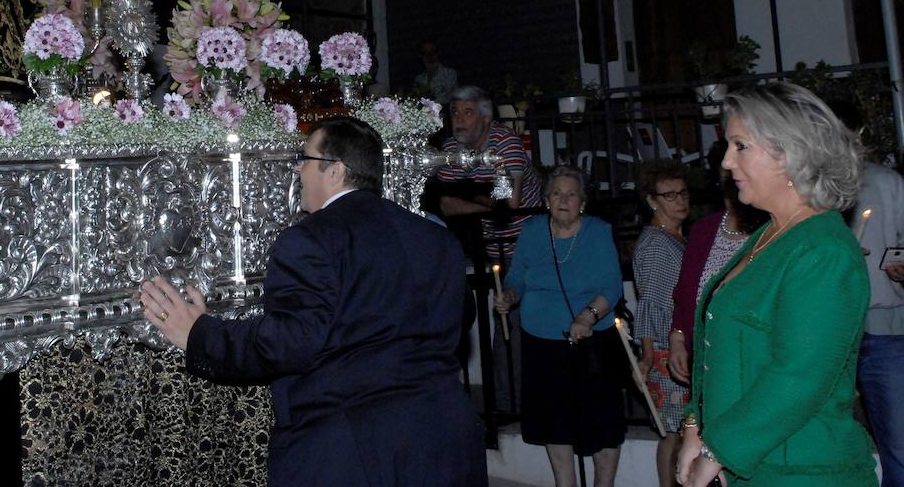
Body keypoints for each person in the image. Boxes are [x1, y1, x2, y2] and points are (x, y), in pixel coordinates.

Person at [139, 116, 486, 487]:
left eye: (304, 159)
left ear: (335, 171)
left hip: (355, 448)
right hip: (446, 434)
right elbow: (461, 312)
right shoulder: (436, 238)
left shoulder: (310, 239)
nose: (298, 170)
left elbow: (288, 343)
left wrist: (198, 335)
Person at [677, 82, 877, 487]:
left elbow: (798, 376)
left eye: (740, 146)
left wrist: (718, 452)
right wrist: (695, 427)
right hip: (752, 465)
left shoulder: (824, 251)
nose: (727, 162)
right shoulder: (771, 234)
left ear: (789, 153)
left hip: (801, 470)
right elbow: (720, 349)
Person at [495, 166, 625, 487]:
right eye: (556, 193)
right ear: (546, 200)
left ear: (582, 201)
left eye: (571, 194)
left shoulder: (598, 231)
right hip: (541, 343)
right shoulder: (533, 231)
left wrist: (587, 316)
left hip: (591, 342)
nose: (563, 199)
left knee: (601, 422)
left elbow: (611, 287)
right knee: (555, 423)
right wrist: (509, 295)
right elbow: (517, 278)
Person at [423, 84, 542, 412]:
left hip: (528, 242)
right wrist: (485, 201)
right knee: (504, 317)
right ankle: (509, 400)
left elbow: (510, 201)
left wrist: (474, 198)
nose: (458, 119)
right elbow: (446, 205)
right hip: (494, 245)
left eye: (468, 112)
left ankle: (518, 401)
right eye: (454, 112)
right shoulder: (451, 148)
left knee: (518, 320)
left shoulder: (504, 143)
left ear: (486, 119)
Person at [833, 100, 904, 487]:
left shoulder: (887, 182)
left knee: (899, 442)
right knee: (830, 440)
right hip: (829, 330)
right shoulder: (806, 189)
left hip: (884, 328)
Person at [666, 174, 766, 385]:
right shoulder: (703, 229)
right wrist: (677, 339)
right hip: (706, 355)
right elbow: (685, 291)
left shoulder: (769, 228)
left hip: (751, 358)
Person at [632, 162, 691, 487]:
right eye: (669, 195)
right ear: (652, 200)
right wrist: (649, 355)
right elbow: (651, 304)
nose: (679, 201)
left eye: (683, 193)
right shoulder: (657, 244)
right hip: (668, 352)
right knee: (676, 433)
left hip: (677, 347)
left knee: (682, 431)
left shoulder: (675, 238)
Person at [412, 40, 458, 106]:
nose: (429, 56)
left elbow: (449, 98)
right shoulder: (419, 79)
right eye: (424, 52)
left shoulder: (450, 74)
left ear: (438, 53)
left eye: (433, 51)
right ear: (420, 56)